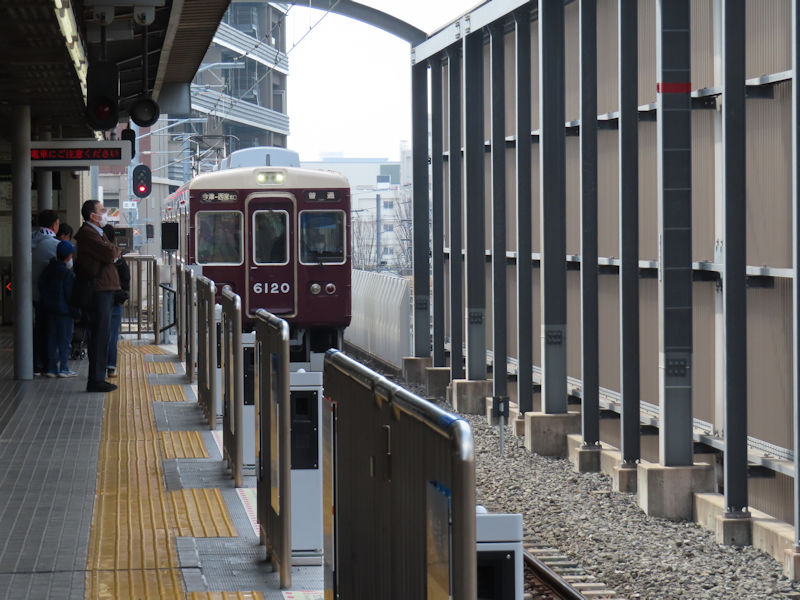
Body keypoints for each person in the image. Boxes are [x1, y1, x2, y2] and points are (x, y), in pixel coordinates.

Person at [73, 200, 121, 393]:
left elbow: (112, 251)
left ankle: (98, 378)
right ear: (93, 216)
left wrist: (113, 251)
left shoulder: (96, 232)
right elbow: (111, 253)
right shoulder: (88, 233)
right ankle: (96, 380)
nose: (105, 212)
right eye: (101, 210)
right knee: (99, 335)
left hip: (102, 289)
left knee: (102, 334)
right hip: (98, 290)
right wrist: (113, 252)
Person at [38, 241, 79, 378]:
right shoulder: (68, 274)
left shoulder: (48, 270)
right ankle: (64, 368)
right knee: (65, 341)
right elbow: (71, 296)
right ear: (69, 256)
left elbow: (41, 286)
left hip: (50, 310)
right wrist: (76, 313)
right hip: (65, 313)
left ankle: (51, 368)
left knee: (52, 340)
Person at [31, 210, 60, 375]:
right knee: (50, 331)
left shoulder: (28, 239)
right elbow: (68, 266)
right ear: (55, 224)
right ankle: (48, 365)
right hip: (49, 295)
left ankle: (35, 364)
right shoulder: (54, 245)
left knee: (37, 329)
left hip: (29, 293)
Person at [103, 224, 130, 378]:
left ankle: (99, 366)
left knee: (101, 334)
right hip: (116, 300)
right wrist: (122, 294)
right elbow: (126, 278)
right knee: (113, 334)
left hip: (101, 298)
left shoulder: (98, 255)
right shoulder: (118, 257)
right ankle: (111, 367)